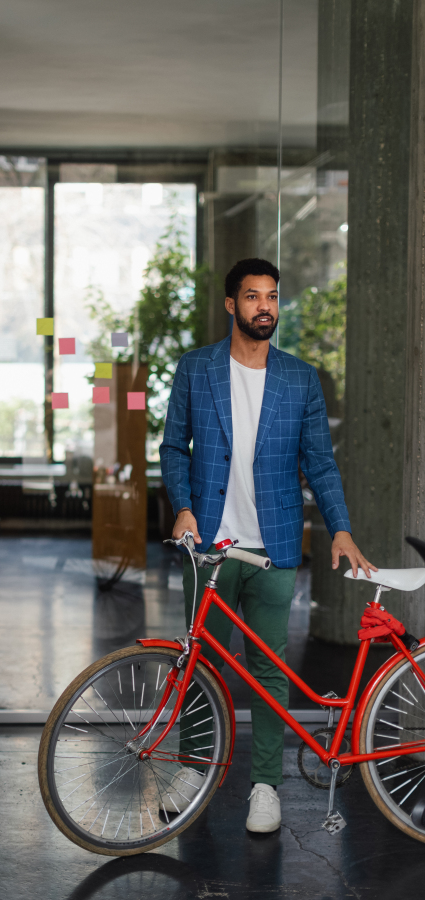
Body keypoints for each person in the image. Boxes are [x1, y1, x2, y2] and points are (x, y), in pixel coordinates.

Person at [159, 257, 376, 834]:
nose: (265, 307)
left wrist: (342, 529)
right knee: (200, 663)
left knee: (269, 670)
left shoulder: (299, 378)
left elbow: (320, 464)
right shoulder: (195, 368)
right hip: (209, 546)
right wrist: (182, 505)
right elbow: (173, 447)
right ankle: (193, 766)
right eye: (253, 296)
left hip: (275, 546)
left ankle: (264, 785)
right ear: (232, 304)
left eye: (272, 297)